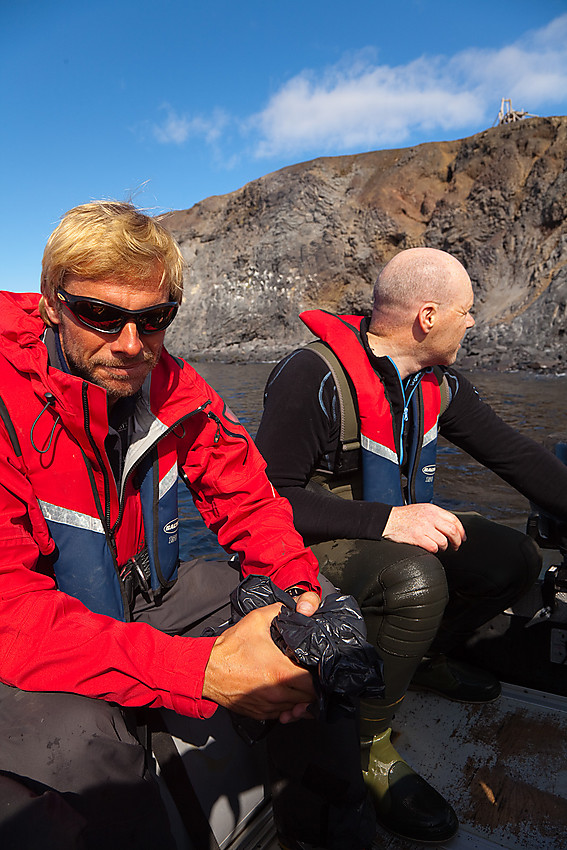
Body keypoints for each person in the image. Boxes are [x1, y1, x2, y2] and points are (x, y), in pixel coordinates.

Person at [0, 201, 373, 850]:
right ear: (51, 304)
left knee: (314, 635)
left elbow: (251, 503)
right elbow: (11, 612)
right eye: (99, 315)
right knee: (83, 747)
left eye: (154, 320)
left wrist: (295, 593)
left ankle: (322, 828)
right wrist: (198, 670)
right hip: (29, 634)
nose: (129, 344)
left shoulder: (171, 384)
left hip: (141, 603)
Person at [256, 247, 567, 844]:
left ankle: (422, 660)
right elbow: (271, 498)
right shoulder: (311, 376)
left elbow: (516, 455)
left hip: (387, 529)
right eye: (465, 312)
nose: (471, 323)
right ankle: (369, 743)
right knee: (417, 578)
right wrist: (387, 521)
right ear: (428, 317)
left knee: (515, 560)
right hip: (313, 548)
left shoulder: (437, 384)